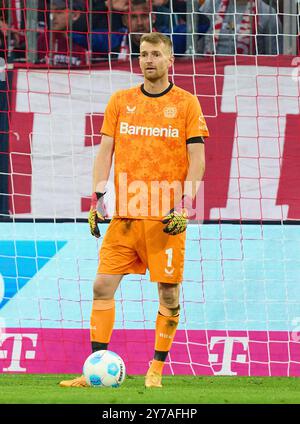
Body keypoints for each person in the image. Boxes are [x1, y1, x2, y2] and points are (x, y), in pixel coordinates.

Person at [59, 31, 208, 388]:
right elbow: (104, 152)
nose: (148, 60)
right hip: (124, 215)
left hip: (164, 217)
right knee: (101, 286)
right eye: (143, 54)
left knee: (169, 294)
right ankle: (93, 368)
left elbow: (197, 158)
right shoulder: (120, 101)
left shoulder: (186, 104)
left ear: (170, 60)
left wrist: (186, 203)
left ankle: (155, 370)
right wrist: (97, 198)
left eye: (156, 54)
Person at [198, 0, 282, 55]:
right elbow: (197, 47)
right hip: (210, 73)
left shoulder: (267, 13)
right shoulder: (210, 5)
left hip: (247, 76)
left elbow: (273, 57)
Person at [37, 0, 88, 66]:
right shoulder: (44, 40)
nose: (53, 17)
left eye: (59, 12)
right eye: (51, 12)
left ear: (75, 15)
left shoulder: (88, 42)